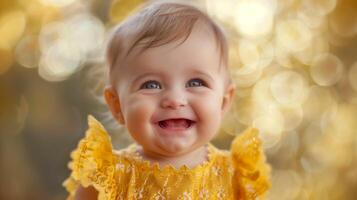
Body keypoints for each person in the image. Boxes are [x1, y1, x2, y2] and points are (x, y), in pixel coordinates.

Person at [63, 1, 271, 199]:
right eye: (151, 85)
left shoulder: (237, 176)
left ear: (223, 103)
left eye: (196, 82)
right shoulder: (107, 178)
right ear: (117, 105)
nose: (175, 99)